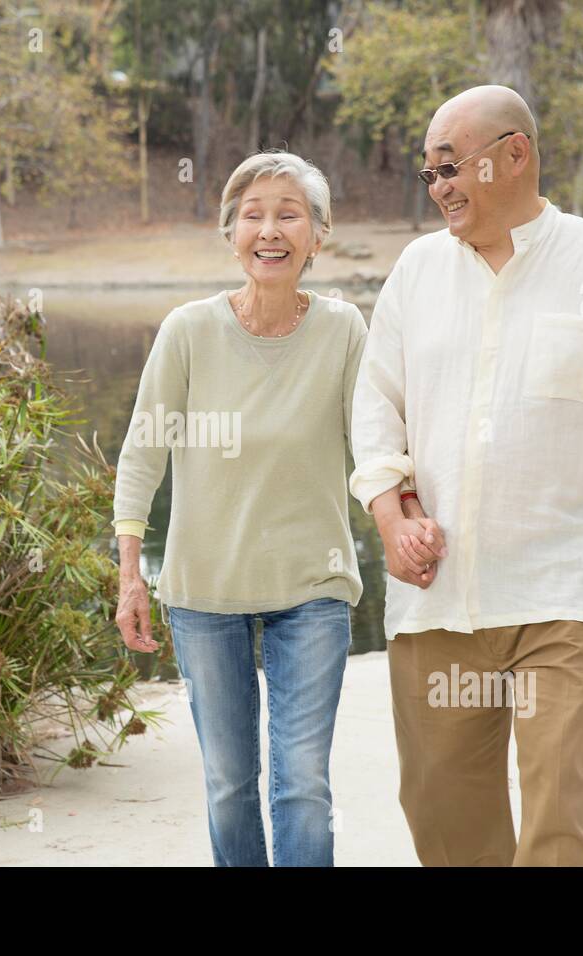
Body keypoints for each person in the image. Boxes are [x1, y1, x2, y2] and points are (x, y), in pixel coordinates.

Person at [350, 86, 583, 866]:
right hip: (437, 595)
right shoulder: (416, 271)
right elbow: (376, 408)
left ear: (515, 155)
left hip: (561, 590)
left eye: (452, 166)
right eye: (429, 173)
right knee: (441, 804)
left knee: (556, 801)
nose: (440, 186)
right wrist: (390, 515)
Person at [112, 151, 429, 866]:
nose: (270, 230)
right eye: (252, 215)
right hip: (204, 589)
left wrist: (405, 510)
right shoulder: (188, 332)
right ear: (231, 235)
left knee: (303, 786)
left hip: (312, 588)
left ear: (317, 236)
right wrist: (132, 572)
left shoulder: (345, 330)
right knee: (229, 784)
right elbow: (143, 456)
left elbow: (375, 443)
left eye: (290, 214)